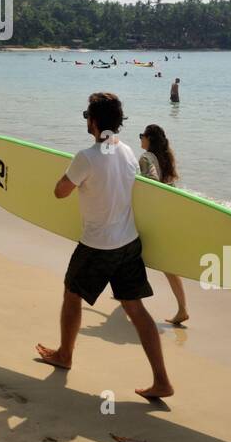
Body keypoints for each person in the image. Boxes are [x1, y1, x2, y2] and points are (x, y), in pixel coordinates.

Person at [35, 92, 174, 400]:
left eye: (87, 115)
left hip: (98, 244)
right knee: (136, 309)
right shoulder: (126, 152)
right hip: (128, 242)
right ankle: (162, 380)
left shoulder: (86, 157)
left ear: (94, 121)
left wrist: (67, 176)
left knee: (72, 295)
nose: (86, 120)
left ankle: (64, 355)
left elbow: (60, 192)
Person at [139, 125, 188, 325]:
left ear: (149, 139)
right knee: (167, 265)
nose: (140, 139)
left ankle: (129, 295)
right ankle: (182, 308)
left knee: (131, 251)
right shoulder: (166, 159)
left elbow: (150, 182)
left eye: (142, 136)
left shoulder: (146, 158)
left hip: (153, 217)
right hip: (168, 215)